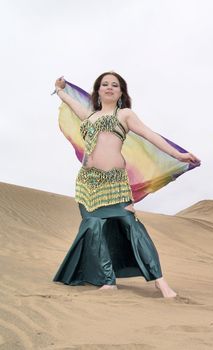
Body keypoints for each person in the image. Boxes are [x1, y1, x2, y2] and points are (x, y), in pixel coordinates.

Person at [52, 72, 200, 297]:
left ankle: (161, 282)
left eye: (115, 85)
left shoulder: (125, 115)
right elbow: (71, 102)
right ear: (98, 91)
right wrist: (61, 89)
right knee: (94, 229)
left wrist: (178, 155)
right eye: (105, 84)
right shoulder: (89, 116)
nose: (109, 87)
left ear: (121, 92)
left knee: (132, 226)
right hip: (87, 183)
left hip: (115, 182)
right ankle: (107, 280)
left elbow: (151, 135)